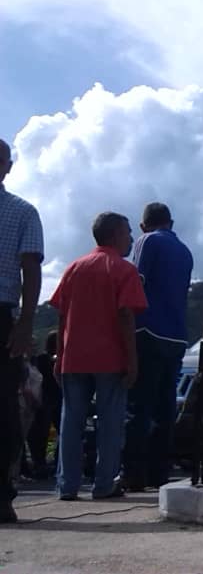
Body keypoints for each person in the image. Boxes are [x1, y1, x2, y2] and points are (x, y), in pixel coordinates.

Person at [50, 212, 146, 501]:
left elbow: (62, 315)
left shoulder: (73, 268)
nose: (131, 238)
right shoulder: (124, 270)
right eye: (128, 232)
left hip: (74, 357)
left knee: (71, 422)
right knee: (110, 423)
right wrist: (132, 360)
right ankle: (104, 484)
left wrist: (59, 355)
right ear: (116, 234)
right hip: (109, 357)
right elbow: (126, 316)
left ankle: (67, 485)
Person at [123, 202, 193, 492]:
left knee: (139, 407)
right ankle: (159, 474)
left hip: (149, 330)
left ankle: (134, 473)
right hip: (177, 336)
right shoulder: (186, 251)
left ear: (143, 225)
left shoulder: (146, 241)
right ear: (171, 223)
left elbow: (134, 283)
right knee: (165, 409)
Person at [0, 138, 44, 523]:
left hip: (1, 314)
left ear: (8, 166)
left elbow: (31, 267)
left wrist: (26, 321)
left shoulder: (21, 211)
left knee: (4, 407)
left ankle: (2, 494)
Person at [26, 331, 61, 478]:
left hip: (48, 400)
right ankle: (44, 463)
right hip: (48, 400)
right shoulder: (46, 359)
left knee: (41, 434)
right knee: (43, 433)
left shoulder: (40, 359)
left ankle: (41, 463)